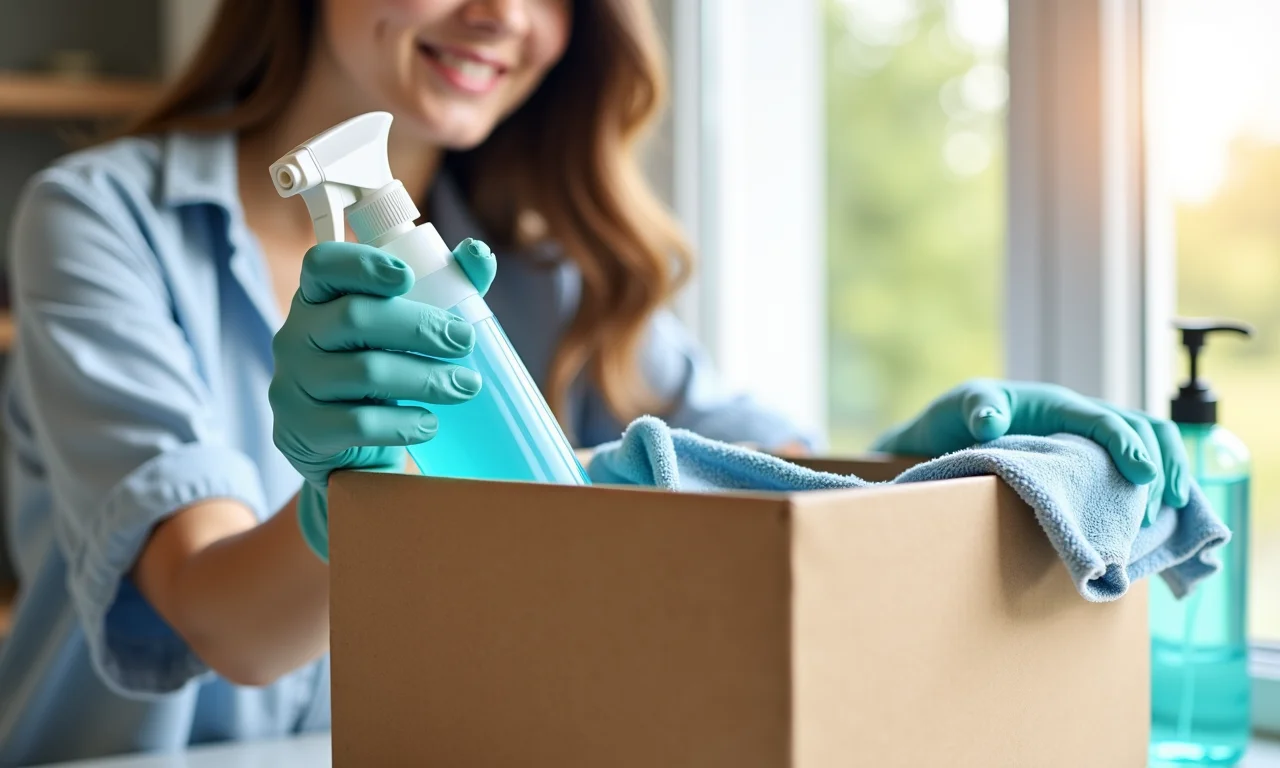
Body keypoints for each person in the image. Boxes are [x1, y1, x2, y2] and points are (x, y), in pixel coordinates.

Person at [0, 0, 1189, 763]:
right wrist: (342, 514)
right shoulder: (99, 222)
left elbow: (750, 487)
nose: (500, 15)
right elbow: (223, 624)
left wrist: (916, 457)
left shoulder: (534, 267)